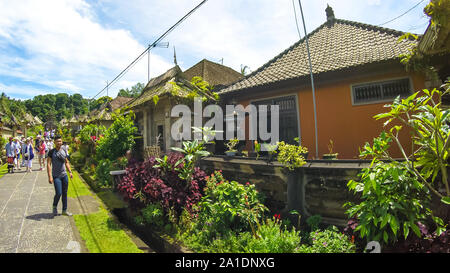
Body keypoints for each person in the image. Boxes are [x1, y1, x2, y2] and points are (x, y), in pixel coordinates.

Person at [47, 135, 73, 216]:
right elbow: (48, 164)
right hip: (56, 176)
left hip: (64, 175)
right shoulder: (51, 152)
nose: (59, 143)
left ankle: (64, 210)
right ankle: (54, 207)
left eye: (60, 141)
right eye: (57, 141)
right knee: (59, 193)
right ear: (54, 142)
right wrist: (50, 176)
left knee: (65, 193)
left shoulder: (64, 151)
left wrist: (70, 171)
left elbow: (66, 162)